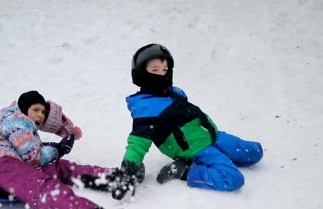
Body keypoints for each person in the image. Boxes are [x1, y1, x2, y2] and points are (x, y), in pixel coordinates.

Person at [110, 44, 264, 200]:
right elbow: (137, 144)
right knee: (232, 179)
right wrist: (128, 172)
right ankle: (184, 170)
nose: (162, 74)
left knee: (256, 152)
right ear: (141, 74)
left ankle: (223, 157)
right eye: (155, 70)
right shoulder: (146, 109)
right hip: (198, 150)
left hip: (213, 136)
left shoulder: (173, 93)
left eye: (165, 70)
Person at [0, 90, 126, 209]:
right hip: (0, 164)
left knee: (61, 168)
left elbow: (30, 151)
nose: (40, 115)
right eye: (35, 109)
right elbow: (34, 156)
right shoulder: (16, 123)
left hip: (13, 165)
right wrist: (58, 148)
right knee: (41, 185)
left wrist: (57, 146)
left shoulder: (23, 127)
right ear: (23, 109)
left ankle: (114, 178)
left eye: (42, 112)